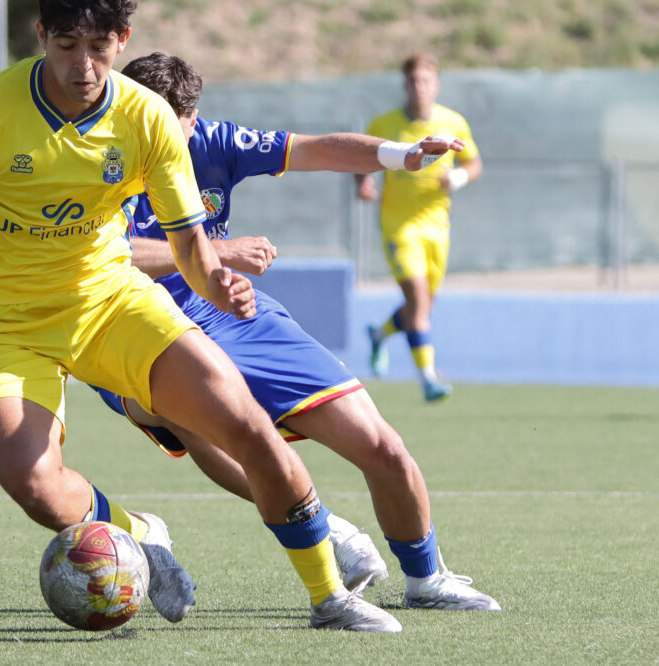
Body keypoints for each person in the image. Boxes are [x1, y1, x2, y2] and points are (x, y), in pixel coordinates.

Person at [0, 0, 401, 633]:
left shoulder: (147, 118)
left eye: (99, 47)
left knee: (245, 425)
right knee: (35, 486)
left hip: (111, 303)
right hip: (5, 321)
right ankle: (141, 534)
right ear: (41, 35)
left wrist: (214, 281)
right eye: (67, 45)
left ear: (122, 40)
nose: (83, 65)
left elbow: (188, 240)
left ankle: (330, 596)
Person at [91, 51, 499, 612]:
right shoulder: (96, 157)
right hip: (130, 322)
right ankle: (329, 532)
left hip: (233, 312)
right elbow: (101, 252)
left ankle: (427, 579)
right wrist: (219, 252)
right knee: (198, 423)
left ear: (192, 118)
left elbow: (315, 149)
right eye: (144, 121)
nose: (154, 137)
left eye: (169, 125)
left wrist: (399, 155)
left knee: (381, 445)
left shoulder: (215, 142)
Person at [356, 52, 483, 402]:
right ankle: (428, 376)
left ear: (436, 85)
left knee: (422, 307)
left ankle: (380, 334)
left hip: (437, 226)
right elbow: (360, 160)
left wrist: (458, 177)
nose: (419, 87)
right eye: (413, 81)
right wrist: (362, 182)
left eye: (425, 81)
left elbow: (474, 164)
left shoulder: (453, 122)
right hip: (398, 224)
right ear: (405, 85)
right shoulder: (384, 124)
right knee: (417, 298)